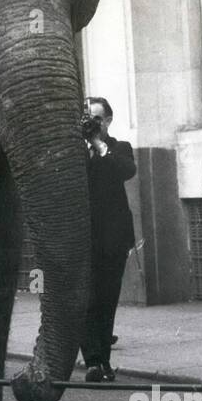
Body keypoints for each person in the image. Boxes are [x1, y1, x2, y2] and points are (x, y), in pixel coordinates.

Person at [79, 97, 135, 382]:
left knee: (107, 300)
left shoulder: (119, 148)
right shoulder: (73, 151)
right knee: (87, 298)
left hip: (113, 238)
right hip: (82, 238)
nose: (90, 123)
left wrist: (99, 145)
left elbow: (127, 171)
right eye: (86, 118)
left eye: (96, 119)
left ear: (108, 121)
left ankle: (104, 360)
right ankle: (93, 361)